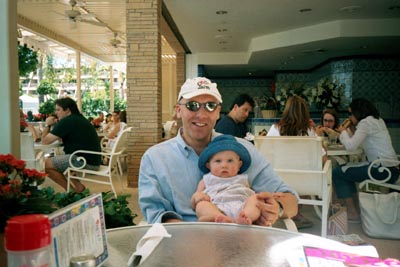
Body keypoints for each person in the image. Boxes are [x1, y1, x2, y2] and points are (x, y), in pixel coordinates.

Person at [139, 77, 298, 226]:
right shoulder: (155, 159)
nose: (201, 115)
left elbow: (291, 201)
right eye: (192, 105)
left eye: (210, 106)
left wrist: (277, 208)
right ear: (178, 110)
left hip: (241, 238)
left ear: (218, 112)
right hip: (185, 240)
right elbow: (155, 215)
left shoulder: (242, 150)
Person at [333, 98, 399, 222]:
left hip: (381, 170)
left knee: (338, 173)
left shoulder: (366, 123)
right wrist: (352, 131)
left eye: (351, 113)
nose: (350, 117)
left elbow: (351, 147)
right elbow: (360, 142)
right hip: (391, 169)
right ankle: (356, 209)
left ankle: (353, 212)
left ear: (358, 112)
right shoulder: (377, 120)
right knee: (346, 169)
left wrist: (342, 132)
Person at [267, 95, 324, 229]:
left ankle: (286, 213)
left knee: (286, 171)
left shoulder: (275, 129)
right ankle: (296, 213)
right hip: (305, 182)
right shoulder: (309, 131)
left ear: (286, 111)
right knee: (303, 172)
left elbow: (265, 153)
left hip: (278, 179)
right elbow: (321, 155)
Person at [192, 135, 264, 224]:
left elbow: (249, 192)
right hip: (216, 206)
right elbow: (196, 196)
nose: (224, 165)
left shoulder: (242, 178)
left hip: (242, 206)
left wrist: (254, 199)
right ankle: (217, 218)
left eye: (230, 161)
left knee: (255, 199)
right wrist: (198, 197)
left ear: (239, 165)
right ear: (208, 165)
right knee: (201, 205)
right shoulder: (207, 179)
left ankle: (246, 217)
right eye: (218, 161)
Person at [41, 98, 102, 193]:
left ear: (67, 110)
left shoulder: (67, 121)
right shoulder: (78, 118)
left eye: (58, 110)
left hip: (84, 161)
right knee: (62, 159)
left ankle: (70, 191)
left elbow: (44, 141)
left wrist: (47, 125)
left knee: (46, 164)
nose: (56, 113)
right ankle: (78, 187)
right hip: (93, 159)